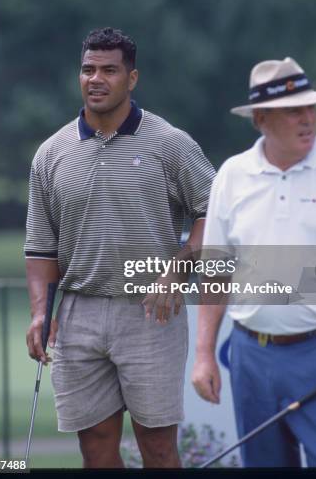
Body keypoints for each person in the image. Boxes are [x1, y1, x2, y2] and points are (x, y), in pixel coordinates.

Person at [24, 27, 215, 468]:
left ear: (131, 79)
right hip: (78, 313)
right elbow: (40, 248)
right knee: (94, 447)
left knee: (158, 445)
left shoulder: (171, 144)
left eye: (109, 70)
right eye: (88, 70)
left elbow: (214, 211)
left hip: (151, 311)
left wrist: (178, 268)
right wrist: (39, 312)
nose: (96, 79)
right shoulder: (51, 153)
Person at [192, 57, 316, 467]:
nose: (308, 119)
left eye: (310, 108)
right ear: (261, 119)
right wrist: (205, 354)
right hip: (250, 357)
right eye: (293, 110)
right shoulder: (232, 174)